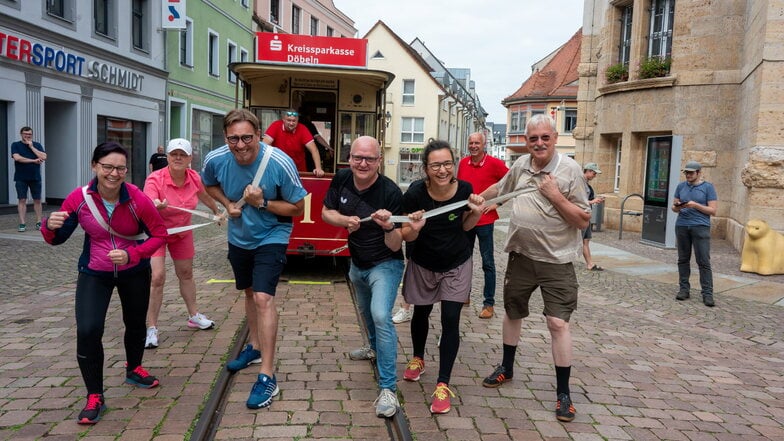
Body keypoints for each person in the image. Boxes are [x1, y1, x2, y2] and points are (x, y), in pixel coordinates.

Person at [41, 142, 168, 425]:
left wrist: (132, 254)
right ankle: (94, 395)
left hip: (134, 270)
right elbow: (58, 239)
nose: (114, 173)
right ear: (94, 166)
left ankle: (134, 368)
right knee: (88, 329)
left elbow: (160, 235)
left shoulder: (137, 198)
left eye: (120, 168)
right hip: (94, 271)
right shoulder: (79, 198)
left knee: (135, 324)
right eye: (107, 167)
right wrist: (49, 227)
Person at [479, 115, 590, 423]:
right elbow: (500, 188)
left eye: (544, 137)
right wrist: (475, 198)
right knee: (513, 312)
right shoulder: (521, 166)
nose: (539, 143)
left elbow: (583, 220)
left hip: (556, 261)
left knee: (558, 323)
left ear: (554, 138)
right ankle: (507, 367)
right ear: (526, 141)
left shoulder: (570, 171)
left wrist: (554, 196)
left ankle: (563, 392)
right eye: (533, 138)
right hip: (521, 256)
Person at [202, 108, 307, 409]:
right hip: (239, 236)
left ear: (259, 135)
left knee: (263, 297)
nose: (240, 145)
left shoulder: (279, 163)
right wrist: (225, 205)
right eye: (233, 138)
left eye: (247, 137)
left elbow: (297, 208)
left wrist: (261, 202)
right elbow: (208, 184)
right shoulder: (216, 159)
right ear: (226, 137)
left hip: (272, 235)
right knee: (248, 291)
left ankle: (267, 375)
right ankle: (254, 347)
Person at [321, 135, 405, 418]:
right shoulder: (342, 179)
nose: (363, 163)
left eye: (370, 158)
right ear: (350, 158)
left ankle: (388, 389)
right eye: (358, 157)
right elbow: (325, 212)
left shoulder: (391, 193)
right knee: (366, 313)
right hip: (357, 263)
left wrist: (388, 226)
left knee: (381, 315)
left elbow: (397, 244)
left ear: (379, 161)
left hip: (386, 263)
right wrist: (345, 221)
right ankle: (372, 347)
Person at [400, 139, 484, 414]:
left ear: (454, 165)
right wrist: (414, 226)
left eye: (447, 163)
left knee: (451, 319)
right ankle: (417, 358)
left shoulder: (466, 190)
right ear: (426, 168)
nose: (442, 170)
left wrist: (476, 213)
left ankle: (443, 383)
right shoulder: (414, 193)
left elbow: (466, 226)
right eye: (435, 165)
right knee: (421, 313)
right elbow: (405, 234)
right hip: (424, 262)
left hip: (456, 262)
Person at [143, 138, 223, 349]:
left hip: (182, 231)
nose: (178, 158)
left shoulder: (194, 177)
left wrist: (216, 212)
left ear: (190, 158)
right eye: (174, 154)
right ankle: (151, 328)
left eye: (183, 154)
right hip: (158, 233)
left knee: (186, 273)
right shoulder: (155, 178)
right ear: (167, 156)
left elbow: (204, 195)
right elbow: (147, 200)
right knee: (158, 277)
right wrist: (156, 205)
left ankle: (193, 315)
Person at [457, 132, 509, 318]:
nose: (473, 146)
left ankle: (489, 304)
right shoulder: (463, 163)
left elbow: (511, 184)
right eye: (470, 142)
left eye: (476, 143)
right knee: (464, 260)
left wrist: (498, 203)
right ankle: (464, 295)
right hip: (466, 219)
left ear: (484, 144)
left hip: (485, 220)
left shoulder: (495, 163)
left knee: (488, 263)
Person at [673, 160, 718, 307]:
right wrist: (678, 207)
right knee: (683, 259)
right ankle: (684, 289)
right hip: (682, 226)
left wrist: (695, 205)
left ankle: (707, 294)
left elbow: (713, 210)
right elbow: (674, 207)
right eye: (686, 172)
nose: (688, 175)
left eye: (691, 173)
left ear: (699, 173)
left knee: (703, 261)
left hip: (700, 227)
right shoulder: (681, 186)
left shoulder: (708, 187)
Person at [262, 109, 325, 177]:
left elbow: (314, 150)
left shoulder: (303, 129)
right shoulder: (275, 125)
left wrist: (318, 168)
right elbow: (264, 146)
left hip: (298, 171)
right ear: (283, 120)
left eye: (294, 121)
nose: (291, 123)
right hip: (278, 168)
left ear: (297, 121)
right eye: (289, 120)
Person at [11, 126, 47, 232]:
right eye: (25, 134)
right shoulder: (16, 145)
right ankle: (22, 223)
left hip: (35, 177)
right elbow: (17, 158)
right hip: (21, 177)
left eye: (29, 134)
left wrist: (31, 147)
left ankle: (38, 222)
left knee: (37, 200)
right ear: (21, 134)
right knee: (22, 199)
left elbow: (44, 156)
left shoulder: (37, 145)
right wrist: (33, 161)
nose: (27, 136)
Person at [581, 162, 605, 271]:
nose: (595, 176)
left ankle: (590, 264)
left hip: (586, 215)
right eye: (594, 174)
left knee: (586, 240)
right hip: (581, 216)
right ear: (589, 171)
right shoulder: (580, 183)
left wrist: (594, 200)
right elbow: (579, 201)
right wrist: (593, 201)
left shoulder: (587, 184)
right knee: (577, 240)